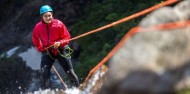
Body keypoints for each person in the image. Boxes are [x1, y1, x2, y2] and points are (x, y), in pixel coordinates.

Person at [32, 5, 79, 89]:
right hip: (48, 51)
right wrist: (40, 47)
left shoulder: (59, 24)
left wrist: (60, 42)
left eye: (49, 15)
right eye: (45, 16)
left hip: (61, 49)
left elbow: (67, 37)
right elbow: (35, 38)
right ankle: (47, 91)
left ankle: (78, 89)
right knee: (44, 72)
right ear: (42, 17)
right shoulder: (38, 27)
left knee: (70, 72)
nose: (48, 18)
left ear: (52, 15)